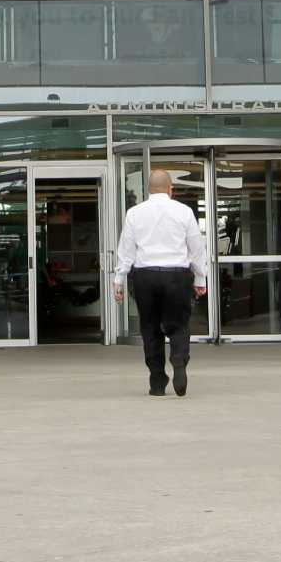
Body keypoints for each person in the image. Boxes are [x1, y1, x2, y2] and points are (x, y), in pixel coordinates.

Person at [112, 169, 208, 397]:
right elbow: (196, 248)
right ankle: (179, 360)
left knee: (150, 327)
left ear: (148, 189)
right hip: (177, 275)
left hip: (145, 276)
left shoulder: (134, 213)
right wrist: (200, 277)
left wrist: (119, 279)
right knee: (179, 324)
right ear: (170, 189)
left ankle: (157, 380)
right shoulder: (184, 212)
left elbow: (126, 249)